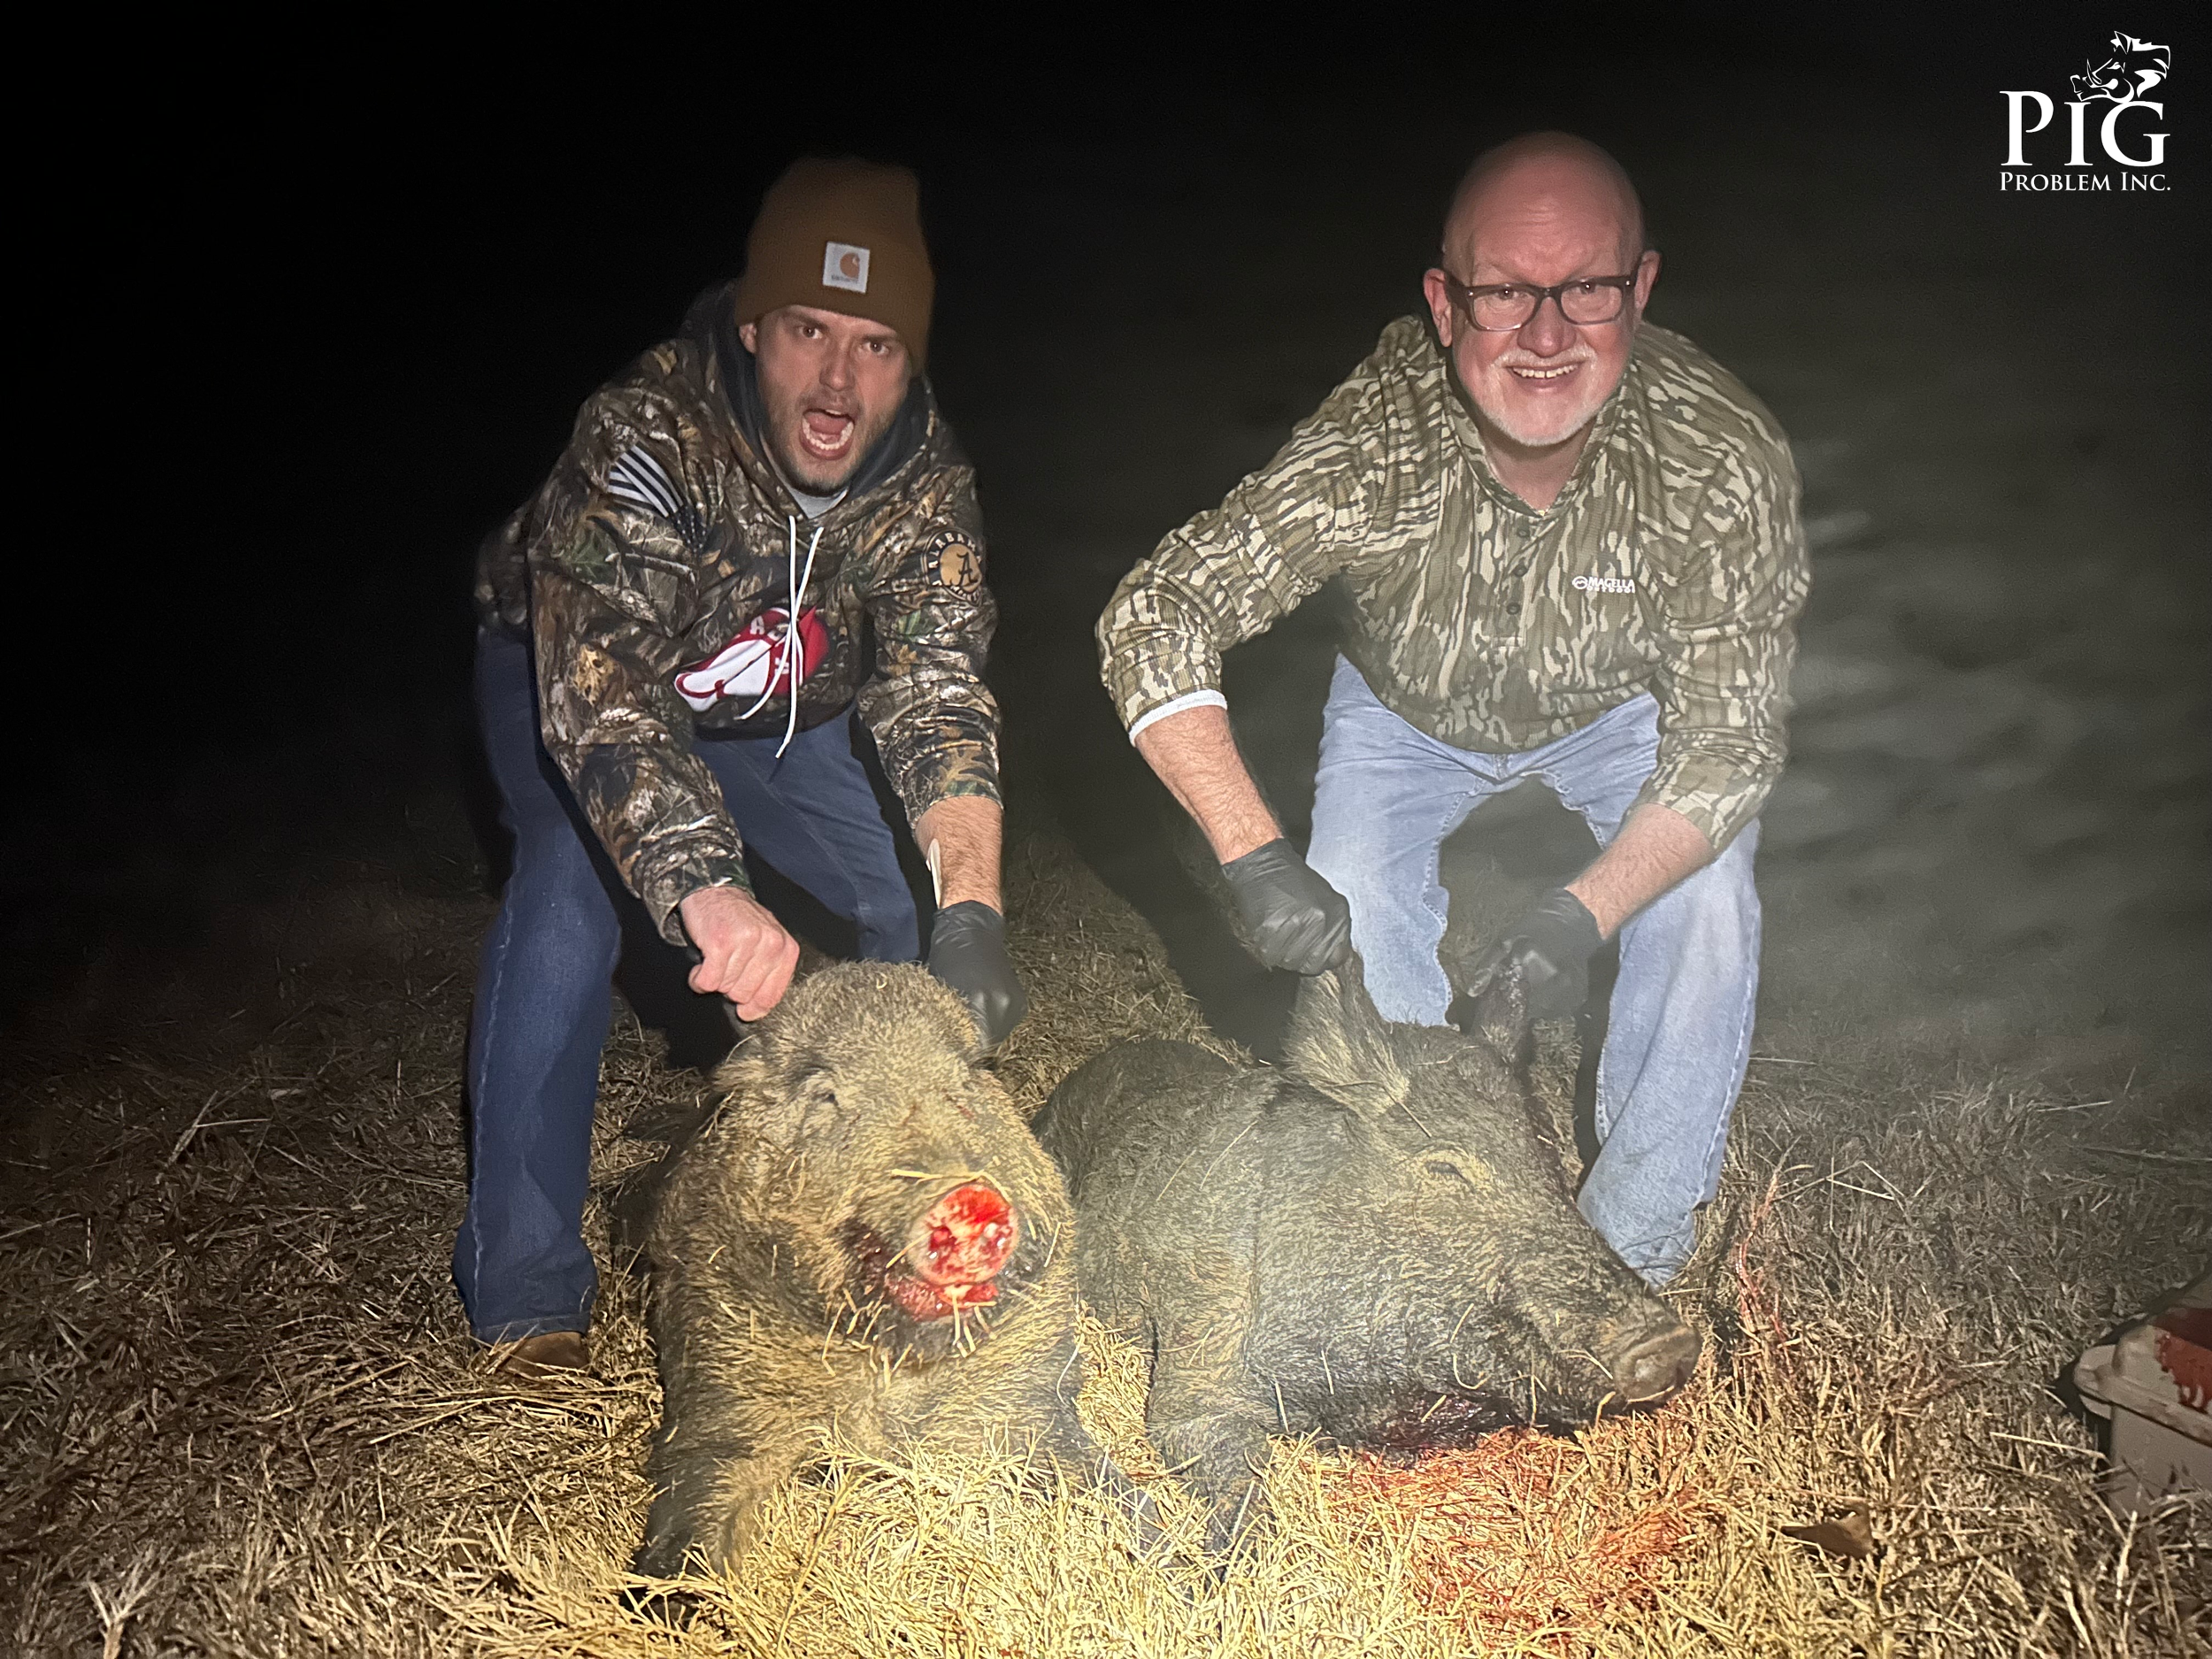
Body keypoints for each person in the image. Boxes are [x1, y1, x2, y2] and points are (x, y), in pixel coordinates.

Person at [1096, 133, 1808, 1286]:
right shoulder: (1374, 441)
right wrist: (1253, 852)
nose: (1544, 335)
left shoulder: (1720, 455)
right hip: (1403, 713)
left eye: (1587, 288)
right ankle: (1412, 1258)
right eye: (1502, 292)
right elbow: (1158, 609)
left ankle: (1631, 1258)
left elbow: (1729, 742)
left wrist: (1579, 912)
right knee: (1358, 926)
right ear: (1442, 301)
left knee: (1710, 894)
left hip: (1622, 712)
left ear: (1643, 287)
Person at [462, 158, 1025, 1372]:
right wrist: (712, 892)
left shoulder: (925, 478)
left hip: (774, 695)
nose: (838, 380)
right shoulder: (647, 431)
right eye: (810, 331)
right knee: (569, 886)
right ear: (754, 325)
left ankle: (890, 1226)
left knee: (904, 896)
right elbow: (606, 700)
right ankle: (525, 1286)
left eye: (877, 344)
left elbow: (936, 686)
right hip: (570, 672)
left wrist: (971, 907)